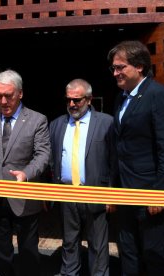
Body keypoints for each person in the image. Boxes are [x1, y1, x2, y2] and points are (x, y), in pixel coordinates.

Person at [108, 40, 164, 275]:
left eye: (120, 67)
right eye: (114, 68)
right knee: (128, 252)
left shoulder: (159, 95)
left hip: (151, 194)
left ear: (139, 66)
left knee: (153, 256)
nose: (115, 73)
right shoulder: (121, 98)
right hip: (125, 193)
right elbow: (118, 148)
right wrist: (112, 189)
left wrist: (160, 193)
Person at [0, 69, 50, 276]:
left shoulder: (37, 119)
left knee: (28, 251)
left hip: (24, 196)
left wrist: (26, 174)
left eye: (9, 95)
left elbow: (42, 155)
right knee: (2, 251)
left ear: (20, 94)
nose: (4, 101)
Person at [49, 78, 113, 276]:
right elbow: (51, 159)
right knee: (69, 242)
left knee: (98, 245)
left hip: (96, 193)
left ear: (89, 99)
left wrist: (111, 193)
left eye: (77, 100)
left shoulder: (106, 122)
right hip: (66, 193)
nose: (71, 105)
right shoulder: (57, 124)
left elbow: (114, 160)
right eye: (68, 100)